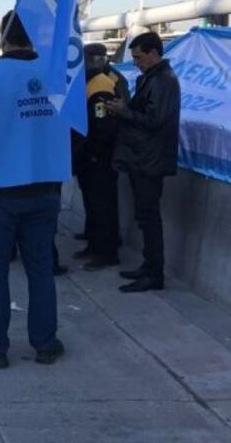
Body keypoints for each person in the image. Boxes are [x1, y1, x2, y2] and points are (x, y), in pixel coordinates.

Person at [0, 11, 67, 369]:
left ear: (3, 37)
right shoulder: (58, 73)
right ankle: (45, 344)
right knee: (40, 269)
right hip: (46, 183)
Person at [107, 31, 180, 293]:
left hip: (150, 160)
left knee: (150, 218)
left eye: (139, 57)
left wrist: (123, 111)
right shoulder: (151, 78)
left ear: (153, 53)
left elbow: (153, 120)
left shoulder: (163, 81)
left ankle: (154, 273)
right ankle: (149, 267)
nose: (136, 62)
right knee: (145, 216)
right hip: (143, 158)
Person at [72, 44, 130, 271]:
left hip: (99, 157)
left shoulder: (103, 84)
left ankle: (107, 252)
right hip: (89, 156)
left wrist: (94, 153)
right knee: (93, 203)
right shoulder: (93, 80)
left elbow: (103, 126)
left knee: (103, 205)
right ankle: (94, 243)